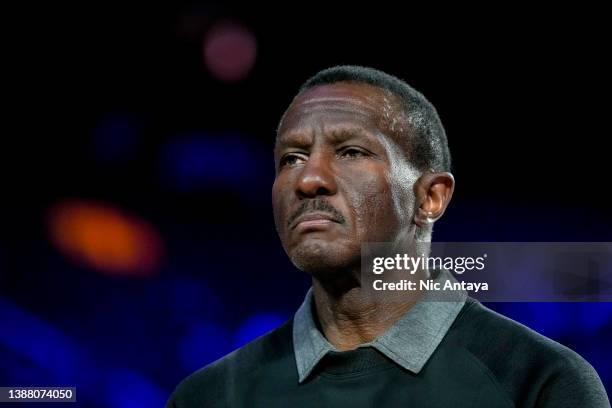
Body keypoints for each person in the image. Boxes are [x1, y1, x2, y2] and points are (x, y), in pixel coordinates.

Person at [166, 66, 610, 407]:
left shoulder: (539, 383)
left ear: (430, 197)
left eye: (351, 152)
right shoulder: (210, 396)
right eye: (292, 158)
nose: (309, 179)